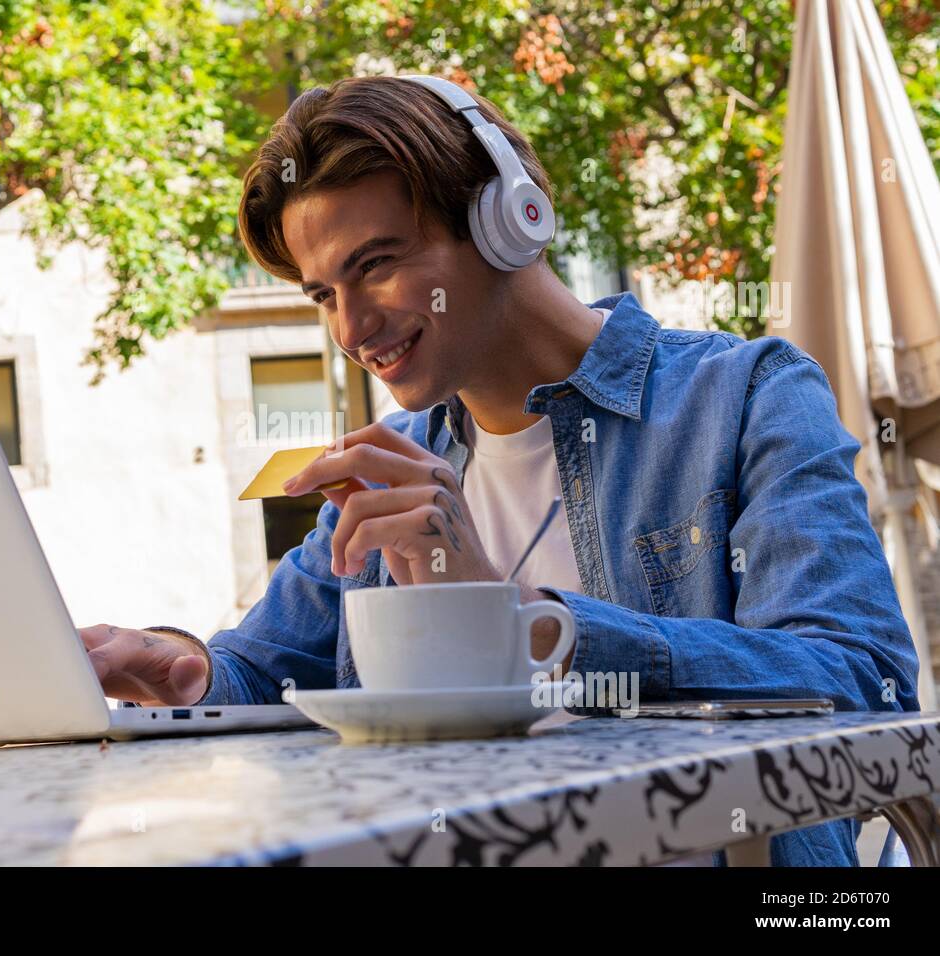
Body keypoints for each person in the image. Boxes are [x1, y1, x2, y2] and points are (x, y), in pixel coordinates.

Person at [78, 75, 919, 866]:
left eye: (375, 265)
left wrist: (525, 624)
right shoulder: (387, 467)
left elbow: (860, 681)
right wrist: (186, 672)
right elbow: (263, 672)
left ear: (506, 220)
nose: (352, 327)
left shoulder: (745, 398)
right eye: (323, 294)